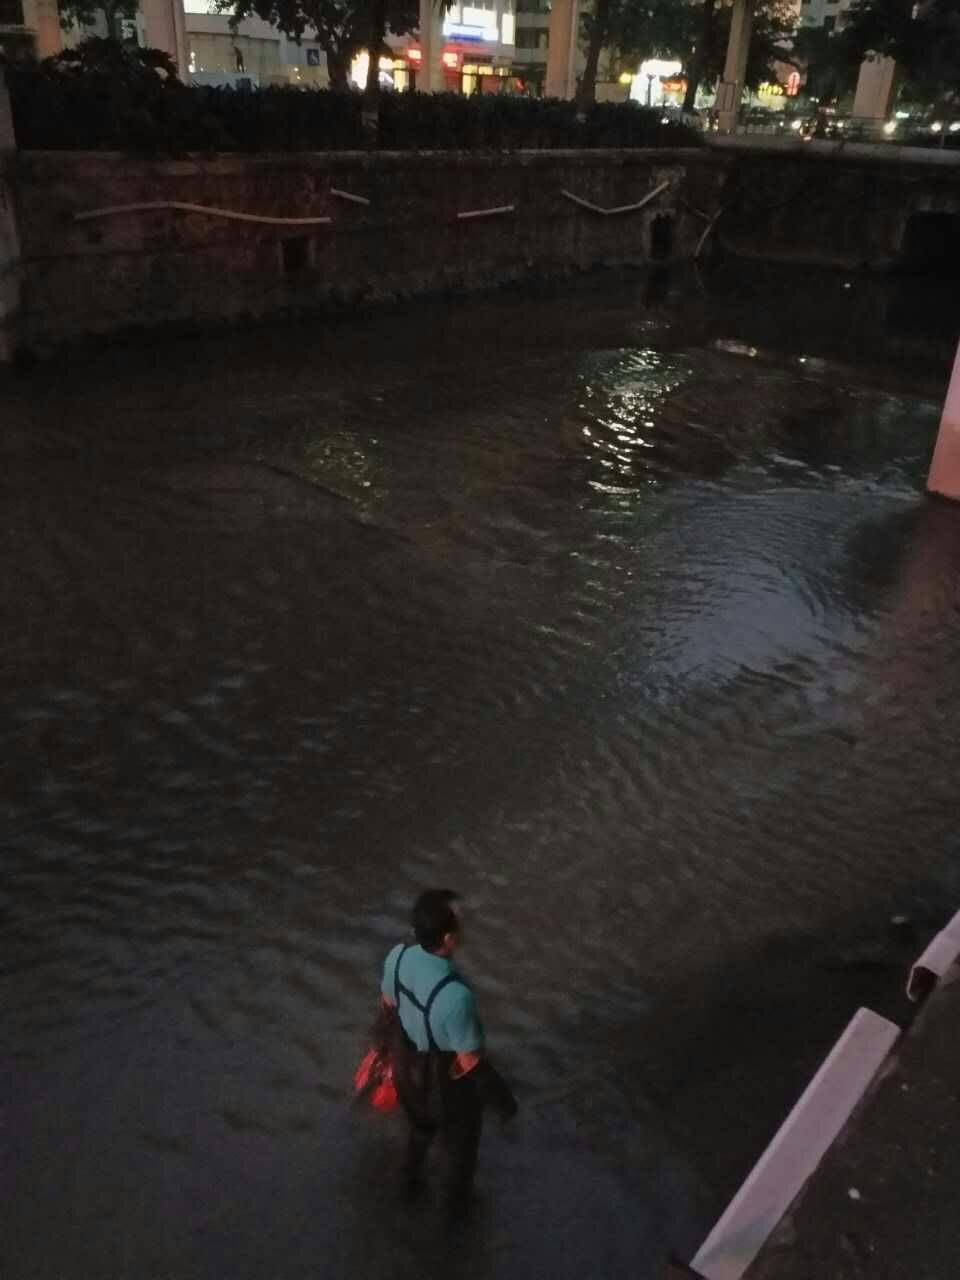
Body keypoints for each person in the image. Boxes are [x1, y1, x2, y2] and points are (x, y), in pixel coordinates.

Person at [380, 888, 516, 1210]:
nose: (465, 926)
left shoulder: (397, 957)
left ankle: (409, 1182)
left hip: (405, 1067)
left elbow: (387, 1004)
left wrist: (383, 1051)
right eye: (460, 922)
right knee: (461, 1148)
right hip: (439, 1081)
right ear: (449, 939)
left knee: (420, 1127)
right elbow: (470, 1061)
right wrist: (503, 1100)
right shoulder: (457, 997)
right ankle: (457, 1211)